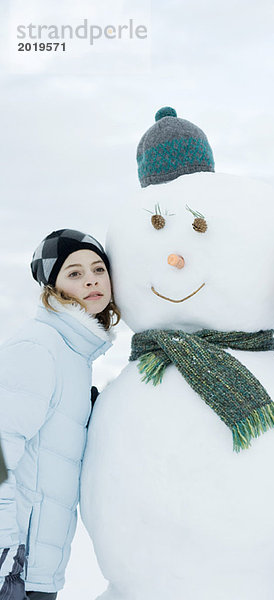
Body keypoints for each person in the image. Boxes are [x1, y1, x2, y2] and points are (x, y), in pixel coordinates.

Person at [0, 229, 120, 600]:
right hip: (14, 566)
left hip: (39, 568)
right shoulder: (39, 346)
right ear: (54, 289)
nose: (91, 279)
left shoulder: (75, 355)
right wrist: (5, 549)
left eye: (98, 268)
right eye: (74, 273)